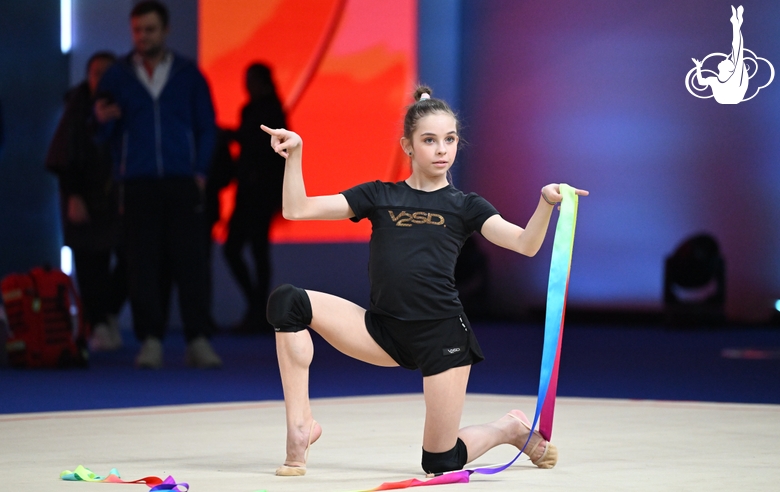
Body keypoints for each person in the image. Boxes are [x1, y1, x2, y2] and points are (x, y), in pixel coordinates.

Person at [261, 86, 589, 476]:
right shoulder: (379, 195)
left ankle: (509, 429)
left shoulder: (466, 206)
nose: (441, 150)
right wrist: (295, 154)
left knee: (440, 462)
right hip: (382, 330)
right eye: (429, 140)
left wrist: (545, 204)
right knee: (287, 303)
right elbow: (297, 209)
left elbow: (525, 244)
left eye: (449, 140)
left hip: (442, 338)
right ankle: (300, 429)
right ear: (408, 146)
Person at [94, 0, 221, 369]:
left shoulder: (188, 73)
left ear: (165, 31)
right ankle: (151, 339)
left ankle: (198, 339)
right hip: (137, 182)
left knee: (191, 262)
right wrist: (100, 120)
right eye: (137, 30)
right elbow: (101, 132)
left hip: (182, 182)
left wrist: (200, 172)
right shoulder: (117, 76)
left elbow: (207, 127)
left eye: (149, 30)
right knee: (142, 265)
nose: (143, 37)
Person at [45, 51, 127, 352]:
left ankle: (107, 317)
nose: (101, 78)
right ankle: (98, 323)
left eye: (108, 72)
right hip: (81, 197)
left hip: (116, 198)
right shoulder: (77, 107)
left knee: (129, 260)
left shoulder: (125, 106)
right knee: (89, 263)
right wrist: (75, 196)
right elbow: (64, 154)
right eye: (96, 72)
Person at [224, 63, 286, 334]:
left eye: (250, 79)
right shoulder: (258, 109)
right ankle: (258, 308)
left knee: (250, 250)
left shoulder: (269, 110)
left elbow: (270, 151)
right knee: (247, 250)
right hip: (253, 193)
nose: (246, 84)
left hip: (258, 193)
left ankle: (258, 310)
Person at [692, 5, 748, 104]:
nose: (725, 59)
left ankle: (736, 24)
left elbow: (737, 49)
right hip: (728, 98)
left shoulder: (734, 77)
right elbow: (701, 82)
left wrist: (736, 26)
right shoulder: (714, 80)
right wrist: (698, 67)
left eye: (727, 61)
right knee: (737, 52)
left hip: (733, 96)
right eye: (728, 61)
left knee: (737, 51)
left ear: (729, 69)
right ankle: (736, 23)